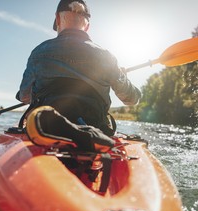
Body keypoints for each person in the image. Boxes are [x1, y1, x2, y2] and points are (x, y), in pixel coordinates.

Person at [17, 0, 141, 138]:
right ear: (87, 26)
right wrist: (122, 76)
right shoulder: (107, 57)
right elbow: (131, 99)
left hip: (46, 129)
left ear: (58, 19)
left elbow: (24, 97)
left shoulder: (38, 53)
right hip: (95, 130)